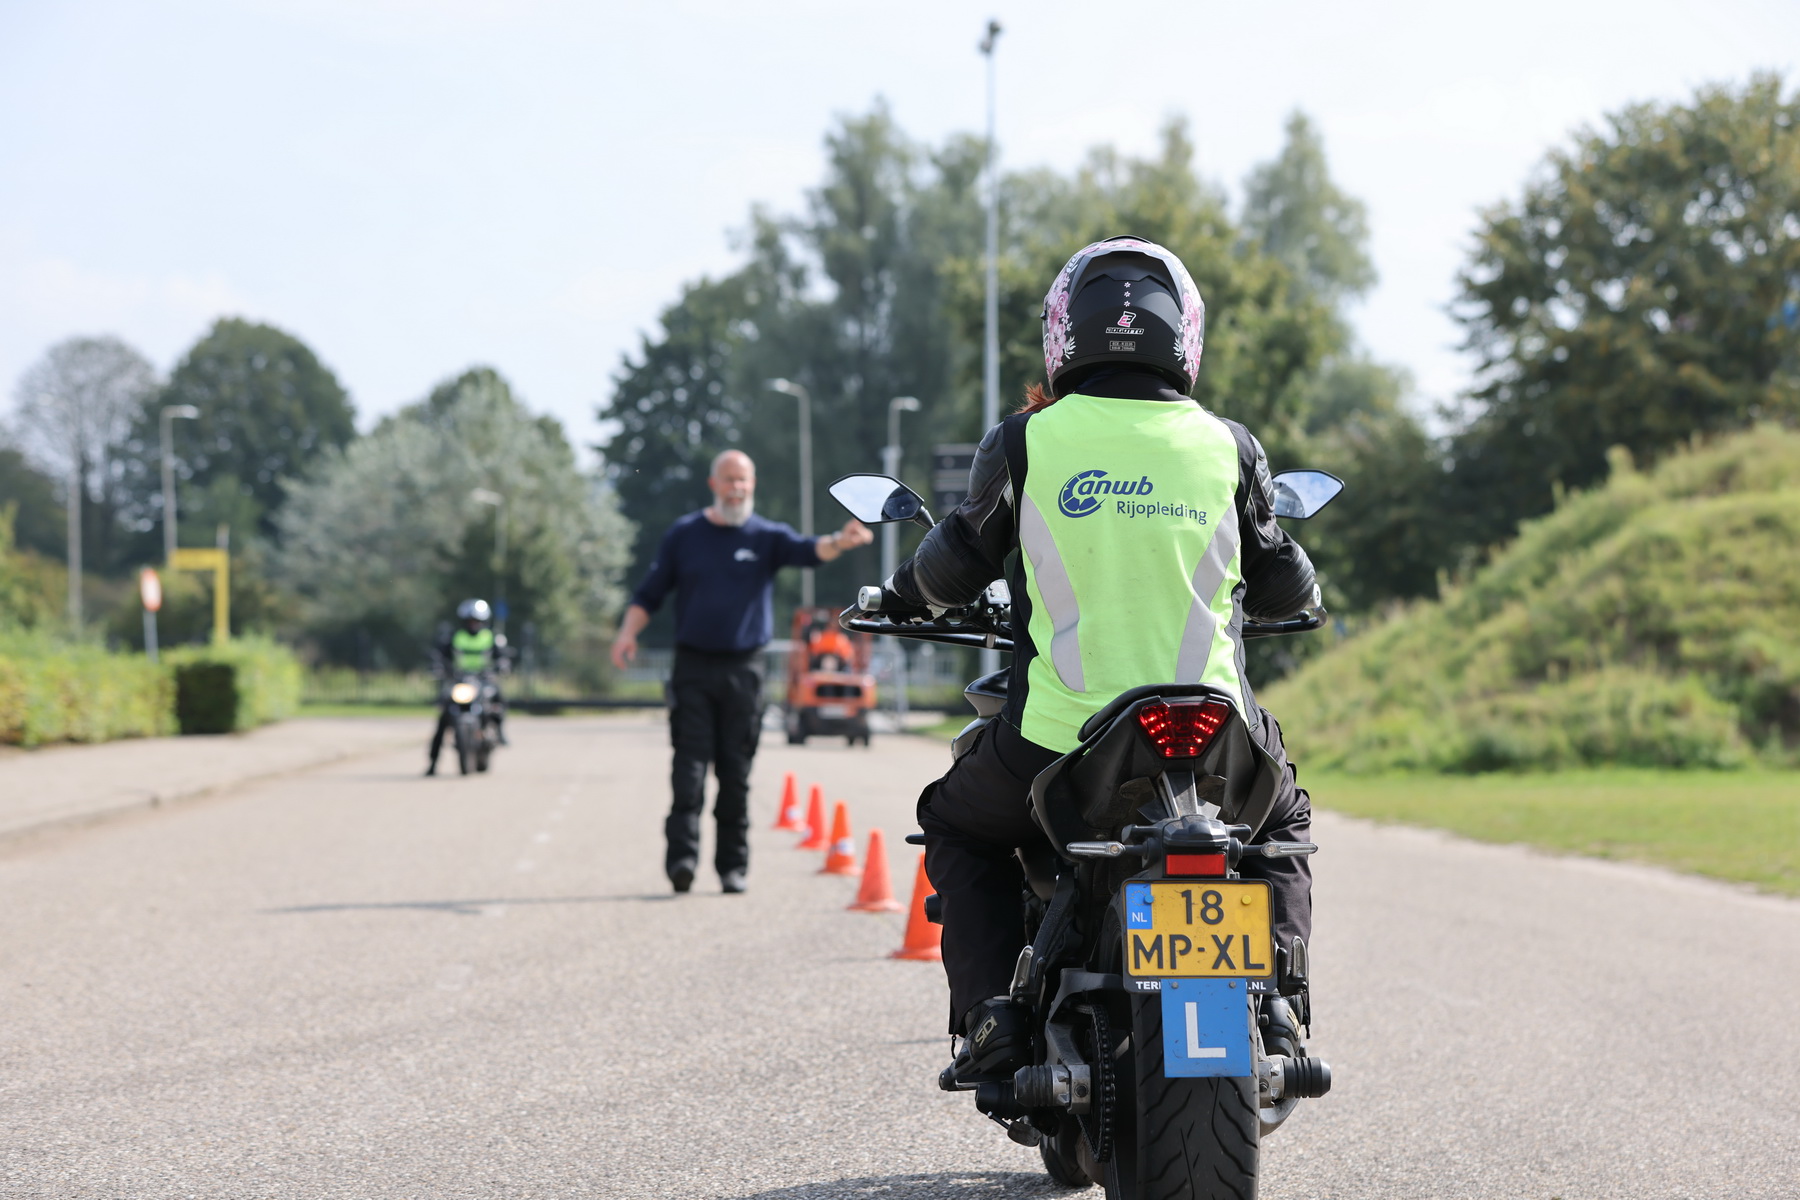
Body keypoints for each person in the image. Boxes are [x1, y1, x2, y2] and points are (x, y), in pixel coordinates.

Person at [886, 236, 1321, 1079]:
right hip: (1217, 740)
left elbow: (952, 565)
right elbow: (1284, 584)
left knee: (954, 820)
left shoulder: (1026, 441)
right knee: (1283, 822)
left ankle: (991, 1020)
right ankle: (1282, 1009)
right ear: (1186, 334)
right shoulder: (1228, 445)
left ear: (1064, 332)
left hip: (1060, 742)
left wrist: (897, 596)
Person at [610, 449, 873, 895]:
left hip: (743, 672)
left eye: (744, 480)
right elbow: (650, 593)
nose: (737, 487)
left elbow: (810, 550)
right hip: (692, 667)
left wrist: (841, 541)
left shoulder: (765, 536)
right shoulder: (685, 534)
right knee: (688, 773)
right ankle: (683, 860)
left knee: (736, 773)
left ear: (753, 485)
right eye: (729, 479)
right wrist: (626, 634)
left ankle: (733, 867)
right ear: (714, 484)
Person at [426, 597, 509, 775]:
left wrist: (502, 664)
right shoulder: (455, 637)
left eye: (477, 621)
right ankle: (433, 763)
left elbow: (502, 656)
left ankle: (500, 732)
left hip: (483, 679)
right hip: (460, 680)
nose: (473, 625)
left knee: (497, 699)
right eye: (470, 621)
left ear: (483, 621)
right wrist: (437, 666)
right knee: (444, 717)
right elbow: (440, 655)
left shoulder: (491, 638)